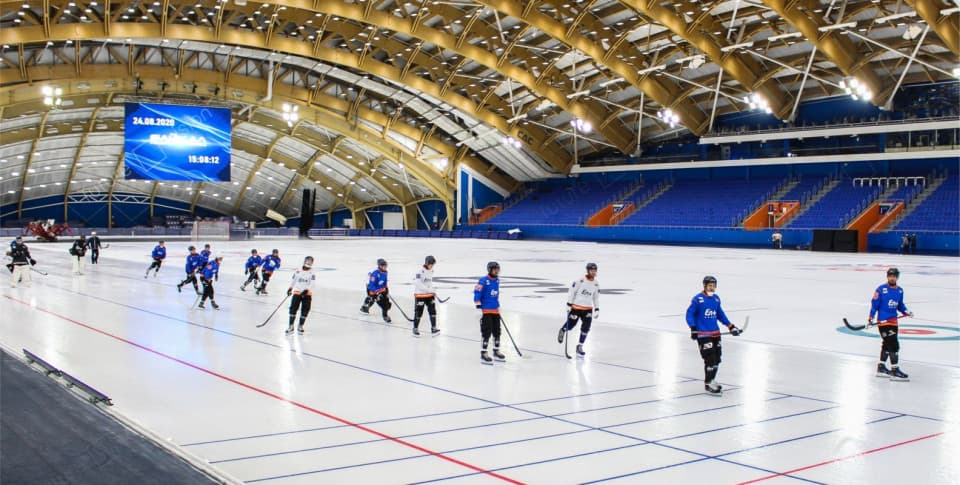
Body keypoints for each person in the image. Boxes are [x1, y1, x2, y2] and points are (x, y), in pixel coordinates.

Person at [685, 276, 743, 396]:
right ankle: (708, 383)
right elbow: (689, 314)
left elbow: (720, 314)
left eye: (714, 285)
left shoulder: (716, 299)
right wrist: (693, 328)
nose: (712, 287)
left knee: (717, 359)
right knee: (709, 358)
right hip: (703, 335)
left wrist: (731, 326)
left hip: (715, 333)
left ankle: (712, 380)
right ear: (705, 286)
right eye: (710, 285)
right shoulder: (698, 299)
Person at [870, 267, 913, 381]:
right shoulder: (881, 289)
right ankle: (895, 370)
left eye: (894, 276)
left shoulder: (900, 290)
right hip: (884, 323)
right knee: (893, 345)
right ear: (887, 276)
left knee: (887, 344)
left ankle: (881, 367)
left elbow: (900, 305)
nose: (892, 278)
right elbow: (875, 305)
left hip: (893, 322)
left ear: (897, 277)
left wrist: (906, 311)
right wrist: (871, 317)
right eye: (890, 276)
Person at [557, 262, 600, 357]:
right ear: (588, 270)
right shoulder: (580, 280)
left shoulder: (596, 284)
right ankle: (563, 330)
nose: (593, 272)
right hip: (576, 307)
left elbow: (596, 297)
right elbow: (571, 292)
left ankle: (580, 346)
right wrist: (569, 304)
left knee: (586, 327)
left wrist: (597, 309)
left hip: (588, 309)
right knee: (571, 325)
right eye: (591, 270)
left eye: (595, 270)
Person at [474, 261, 505, 364]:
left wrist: (498, 305)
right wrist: (478, 307)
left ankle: (496, 351)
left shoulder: (497, 281)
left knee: (497, 331)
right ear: (490, 270)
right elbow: (477, 293)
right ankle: (483, 353)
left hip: (495, 310)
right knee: (486, 332)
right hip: (486, 311)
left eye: (498, 269)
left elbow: (495, 295)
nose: (497, 271)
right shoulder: (483, 281)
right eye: (495, 269)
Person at [286, 256, 317, 335]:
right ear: (305, 261)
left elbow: (312, 283)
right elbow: (294, 279)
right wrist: (290, 288)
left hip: (307, 294)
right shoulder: (298, 270)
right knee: (293, 308)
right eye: (308, 261)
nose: (309, 262)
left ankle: (300, 325)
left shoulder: (312, 272)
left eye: (310, 261)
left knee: (305, 309)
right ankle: (291, 326)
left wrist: (307, 290)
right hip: (297, 292)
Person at [412, 255, 440, 337]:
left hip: (429, 295)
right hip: (420, 295)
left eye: (433, 264)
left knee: (433, 311)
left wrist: (433, 290)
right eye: (431, 264)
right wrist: (428, 289)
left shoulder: (431, 271)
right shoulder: (420, 271)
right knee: (419, 312)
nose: (432, 266)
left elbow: (429, 282)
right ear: (427, 263)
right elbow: (418, 283)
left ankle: (433, 328)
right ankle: (415, 328)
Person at [360, 258, 391, 323]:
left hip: (381, 289)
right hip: (372, 290)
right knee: (380, 302)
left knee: (387, 303)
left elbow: (384, 282)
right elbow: (372, 286)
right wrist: (377, 292)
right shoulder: (374, 274)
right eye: (384, 266)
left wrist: (386, 289)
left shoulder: (385, 272)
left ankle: (365, 307)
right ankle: (385, 316)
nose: (385, 267)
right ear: (380, 266)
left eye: (386, 265)